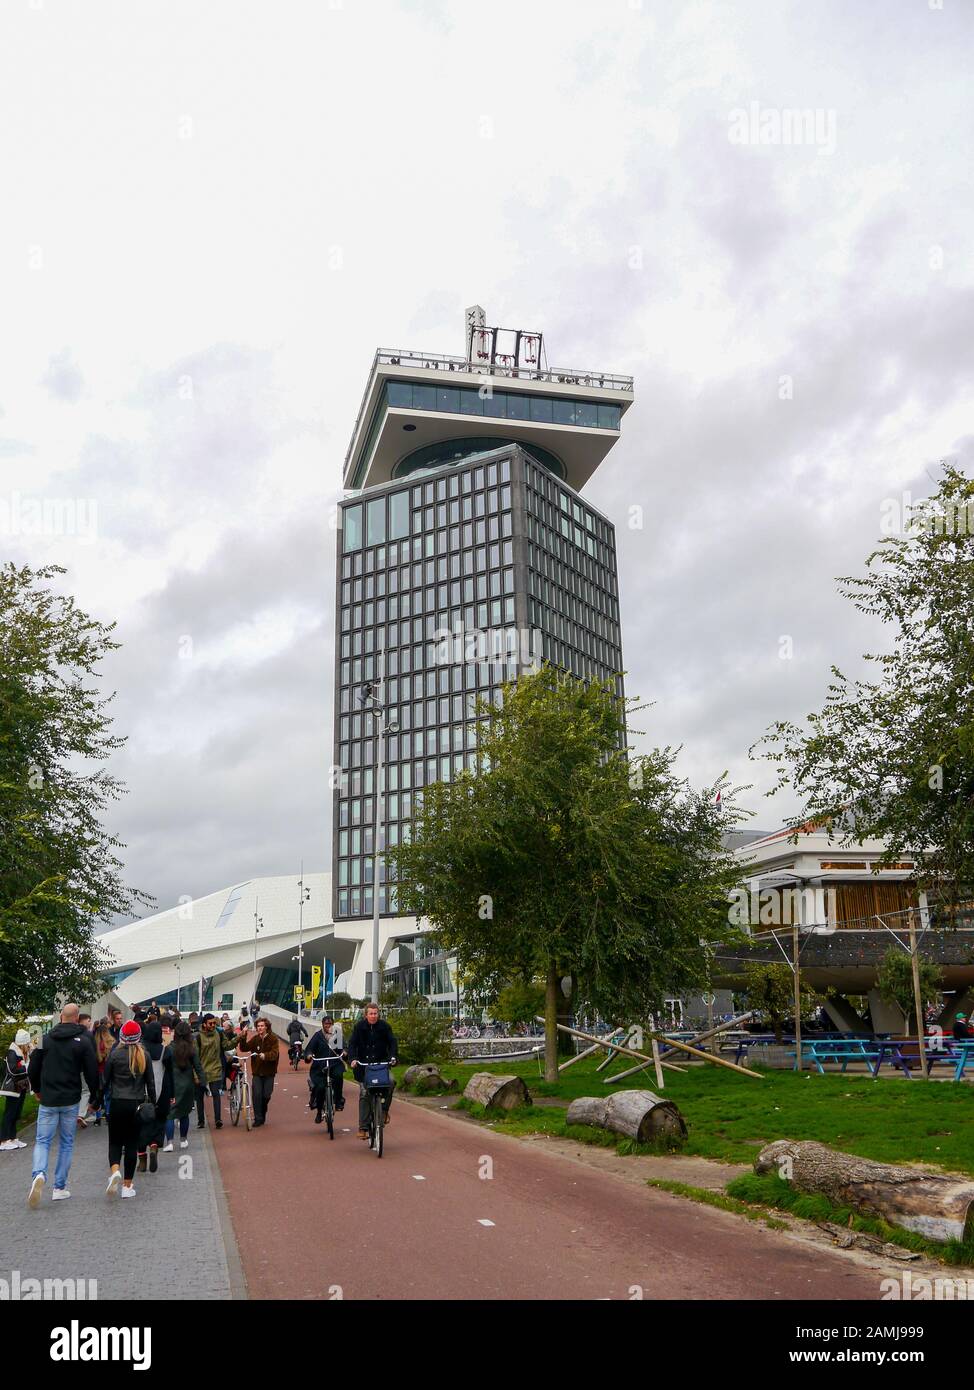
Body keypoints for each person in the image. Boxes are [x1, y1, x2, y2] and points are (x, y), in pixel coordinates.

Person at [26, 1003, 100, 1207]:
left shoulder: (44, 1039)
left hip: (49, 1098)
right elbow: (92, 1072)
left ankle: (39, 1174)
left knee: (42, 1140)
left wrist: (37, 1088)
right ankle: (59, 1188)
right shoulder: (84, 1040)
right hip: (71, 1099)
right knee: (66, 1143)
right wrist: (96, 1098)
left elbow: (33, 1067)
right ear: (77, 1018)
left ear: (61, 1016)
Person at [104, 1020, 156, 1199]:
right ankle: (127, 1186)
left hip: (117, 1102)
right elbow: (150, 1083)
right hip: (137, 1105)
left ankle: (115, 1171)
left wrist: (96, 1102)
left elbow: (105, 1082)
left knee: (115, 1142)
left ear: (122, 1037)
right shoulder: (145, 1056)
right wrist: (154, 1104)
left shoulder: (114, 1055)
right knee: (132, 1145)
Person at [347, 1004, 398, 1140]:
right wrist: (352, 1059)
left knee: (391, 1082)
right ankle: (363, 1127)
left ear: (378, 1014)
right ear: (366, 1015)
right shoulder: (359, 1028)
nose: (373, 1016)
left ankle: (385, 1111)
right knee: (364, 1093)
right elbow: (352, 1044)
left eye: (375, 1013)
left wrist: (393, 1057)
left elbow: (392, 1042)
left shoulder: (385, 1027)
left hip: (381, 1066)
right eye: (371, 1013)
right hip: (364, 1067)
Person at [161, 1020, 206, 1151]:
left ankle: (169, 1142)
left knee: (170, 1114)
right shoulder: (191, 1049)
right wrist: (203, 1083)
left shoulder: (169, 1048)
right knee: (184, 1113)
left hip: (173, 1085)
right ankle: (183, 1140)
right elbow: (198, 1067)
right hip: (188, 1084)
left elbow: (164, 1065)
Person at [303, 1015, 346, 1123]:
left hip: (334, 1063)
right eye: (326, 1024)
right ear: (322, 1024)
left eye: (330, 1024)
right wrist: (308, 1055)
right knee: (320, 1087)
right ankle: (319, 1111)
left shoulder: (337, 1035)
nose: (328, 1026)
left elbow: (344, 1047)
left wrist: (345, 1052)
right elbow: (309, 1048)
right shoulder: (318, 1036)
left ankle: (338, 1100)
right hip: (320, 1065)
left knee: (338, 1076)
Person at [195, 1013, 235, 1129]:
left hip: (215, 1069)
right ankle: (201, 1120)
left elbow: (227, 1045)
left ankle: (218, 1119)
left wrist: (239, 1037)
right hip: (201, 1070)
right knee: (199, 1096)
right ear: (204, 1024)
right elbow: (195, 1058)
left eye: (214, 1023)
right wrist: (195, 1074)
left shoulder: (219, 1034)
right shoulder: (198, 1037)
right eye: (210, 1023)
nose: (213, 1025)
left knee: (216, 1093)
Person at [238, 1017, 280, 1127]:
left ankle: (262, 1111)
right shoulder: (255, 1039)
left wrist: (265, 1055)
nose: (260, 1028)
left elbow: (275, 1053)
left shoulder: (273, 1039)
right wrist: (243, 1036)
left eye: (262, 1026)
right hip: (257, 1072)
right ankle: (258, 1118)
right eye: (258, 1026)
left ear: (266, 1027)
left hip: (269, 1072)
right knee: (256, 1095)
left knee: (266, 1095)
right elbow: (244, 1048)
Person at [1, 1029, 32, 1150]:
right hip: (12, 1088)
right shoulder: (12, 1052)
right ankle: (3, 1140)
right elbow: (12, 1070)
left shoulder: (23, 1052)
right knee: (9, 1113)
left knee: (16, 1113)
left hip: (21, 1086)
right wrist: (26, 1067)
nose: (29, 1045)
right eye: (27, 1043)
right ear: (23, 1043)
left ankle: (12, 1138)